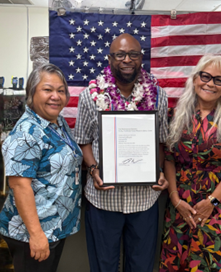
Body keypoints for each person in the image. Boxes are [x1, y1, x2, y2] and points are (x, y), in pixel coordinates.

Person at [74, 33, 168, 272]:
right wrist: (94, 170)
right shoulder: (90, 96)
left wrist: (158, 170)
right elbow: (83, 141)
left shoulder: (158, 96)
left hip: (144, 200)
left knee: (141, 266)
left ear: (141, 58)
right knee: (104, 266)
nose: (127, 59)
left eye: (133, 54)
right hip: (103, 200)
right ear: (110, 58)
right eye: (120, 54)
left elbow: (160, 142)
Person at [159, 55, 221, 272]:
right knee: (178, 259)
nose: (210, 83)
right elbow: (170, 157)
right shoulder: (177, 114)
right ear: (195, 79)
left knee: (211, 262)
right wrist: (174, 199)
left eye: (218, 80)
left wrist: (212, 202)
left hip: (217, 203)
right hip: (180, 203)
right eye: (206, 76)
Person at [0, 63, 83, 272]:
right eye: (48, 89)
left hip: (54, 227)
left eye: (61, 91)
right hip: (32, 234)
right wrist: (36, 235)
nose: (56, 96)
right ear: (31, 94)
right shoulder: (27, 132)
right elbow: (19, 187)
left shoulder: (57, 123)